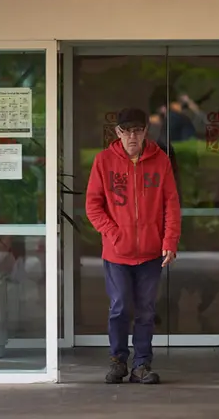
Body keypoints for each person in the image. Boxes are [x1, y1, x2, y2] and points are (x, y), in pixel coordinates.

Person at [85, 107, 181, 385]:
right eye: (126, 131)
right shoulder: (103, 162)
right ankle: (118, 361)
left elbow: (171, 204)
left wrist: (169, 241)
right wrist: (114, 234)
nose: (132, 137)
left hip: (152, 253)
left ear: (145, 132)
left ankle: (142, 364)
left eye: (137, 131)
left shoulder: (160, 160)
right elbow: (93, 206)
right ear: (117, 133)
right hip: (117, 253)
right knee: (119, 307)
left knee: (146, 310)